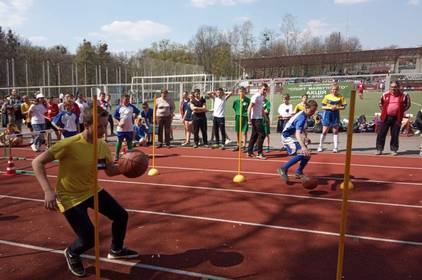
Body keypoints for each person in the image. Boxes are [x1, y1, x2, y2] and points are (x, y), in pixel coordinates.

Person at [32, 105, 138, 278]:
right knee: (90, 238)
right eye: (99, 127)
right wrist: (47, 191)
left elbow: (110, 171)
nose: (104, 131)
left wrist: (130, 168)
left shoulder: (102, 145)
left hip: (92, 190)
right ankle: (72, 253)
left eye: (105, 126)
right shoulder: (69, 144)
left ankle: (116, 249)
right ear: (86, 124)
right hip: (70, 197)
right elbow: (37, 162)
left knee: (121, 216)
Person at [277, 100, 318, 182]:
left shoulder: (304, 115)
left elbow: (301, 129)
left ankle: (298, 172)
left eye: (314, 111)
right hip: (287, 136)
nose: (313, 113)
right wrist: (303, 146)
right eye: (312, 111)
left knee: (307, 155)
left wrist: (305, 138)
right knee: (304, 152)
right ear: (306, 108)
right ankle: (283, 168)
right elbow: (297, 133)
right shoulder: (301, 117)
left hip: (292, 136)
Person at [375, 81, 411, 155]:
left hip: (397, 118)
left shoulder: (404, 95)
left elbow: (408, 104)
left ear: (398, 87)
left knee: (395, 134)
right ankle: (379, 149)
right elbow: (380, 103)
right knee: (381, 133)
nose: (393, 88)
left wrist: (401, 111)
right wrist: (385, 111)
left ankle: (393, 149)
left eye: (395, 87)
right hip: (386, 117)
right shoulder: (385, 94)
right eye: (392, 87)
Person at [317, 83, 346, 153]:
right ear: (331, 90)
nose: (334, 91)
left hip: (335, 115)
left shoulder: (341, 97)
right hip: (327, 114)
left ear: (338, 90)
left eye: (336, 89)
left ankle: (335, 147)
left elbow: (344, 107)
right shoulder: (327, 96)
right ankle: (320, 146)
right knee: (324, 131)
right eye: (333, 89)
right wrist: (330, 107)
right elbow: (322, 106)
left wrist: (337, 107)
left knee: (335, 131)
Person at [114, 94, 140, 160]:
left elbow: (138, 111)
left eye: (128, 99)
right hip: (121, 129)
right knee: (119, 141)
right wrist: (119, 123)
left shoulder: (131, 107)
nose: (127, 100)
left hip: (129, 128)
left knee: (129, 141)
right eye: (126, 99)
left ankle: (130, 155)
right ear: (122, 100)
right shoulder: (118, 107)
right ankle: (116, 155)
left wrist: (135, 116)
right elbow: (115, 117)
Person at [247, 83, 268, 160]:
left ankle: (249, 151)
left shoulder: (262, 97)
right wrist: (249, 119)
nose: (265, 91)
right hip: (255, 119)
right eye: (264, 89)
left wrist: (265, 117)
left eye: (266, 89)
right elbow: (249, 108)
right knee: (262, 134)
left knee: (254, 135)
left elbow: (261, 108)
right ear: (259, 89)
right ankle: (259, 153)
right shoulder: (255, 96)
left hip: (259, 118)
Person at [232, 87, 250, 152]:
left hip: (245, 117)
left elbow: (249, 109)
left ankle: (244, 146)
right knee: (238, 131)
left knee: (244, 131)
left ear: (245, 92)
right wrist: (238, 113)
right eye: (240, 91)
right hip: (238, 116)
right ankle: (238, 145)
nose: (241, 93)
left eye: (242, 91)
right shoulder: (236, 100)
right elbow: (234, 107)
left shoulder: (248, 100)